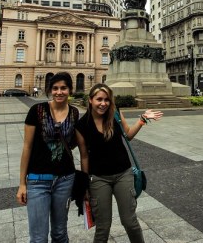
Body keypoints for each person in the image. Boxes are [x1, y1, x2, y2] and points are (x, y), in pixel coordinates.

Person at [76, 83, 163, 243]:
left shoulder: (115, 114)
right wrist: (85, 184)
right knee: (103, 226)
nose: (103, 103)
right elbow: (84, 157)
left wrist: (142, 119)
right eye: (99, 99)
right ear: (90, 100)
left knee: (130, 222)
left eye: (107, 100)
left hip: (123, 174)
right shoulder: (82, 125)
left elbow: (128, 135)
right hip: (98, 178)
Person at [16, 72, 88, 243]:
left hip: (65, 179)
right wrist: (21, 183)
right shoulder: (37, 111)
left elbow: (77, 143)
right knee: (39, 238)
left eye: (63, 88)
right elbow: (27, 147)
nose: (59, 92)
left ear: (69, 90)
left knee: (60, 233)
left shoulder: (74, 113)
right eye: (55, 88)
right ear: (50, 90)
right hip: (38, 180)